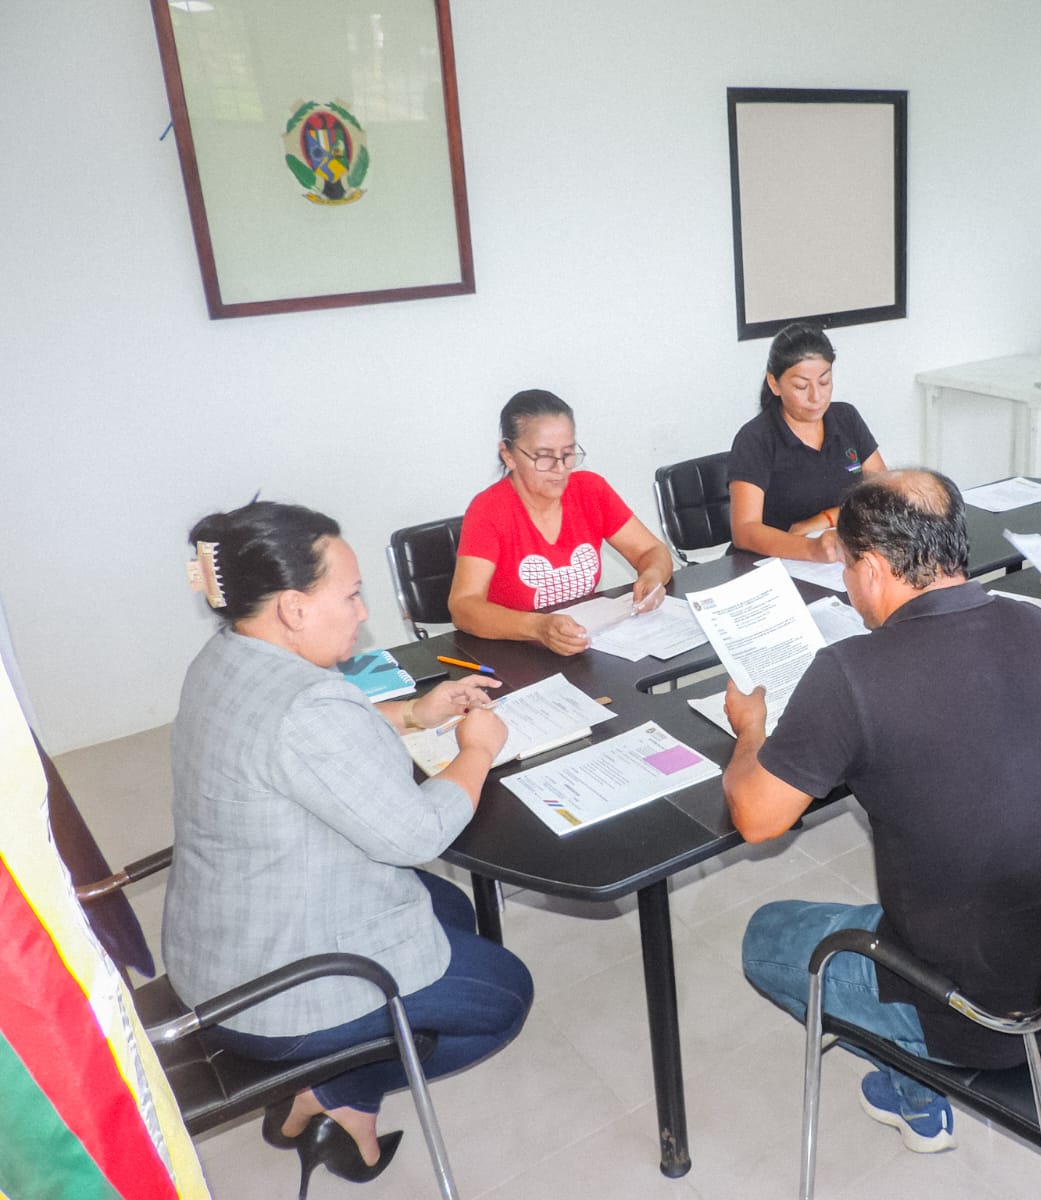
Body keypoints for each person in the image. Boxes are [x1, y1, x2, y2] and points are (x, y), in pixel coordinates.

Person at [722, 470, 1041, 1153]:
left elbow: (756, 819)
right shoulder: (1032, 623)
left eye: (847, 568)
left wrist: (749, 729)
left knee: (766, 937)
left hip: (977, 1007)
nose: (848, 583)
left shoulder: (850, 672)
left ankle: (916, 1083)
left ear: (872, 569)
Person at [165, 501, 533, 1190]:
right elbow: (417, 834)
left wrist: (415, 712)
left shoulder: (226, 657)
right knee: (504, 999)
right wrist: (477, 751)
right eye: (352, 595)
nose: (363, 612)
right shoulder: (311, 704)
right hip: (272, 993)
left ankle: (333, 1094)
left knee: (449, 909)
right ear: (295, 608)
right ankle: (335, 1091)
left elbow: (300, 741)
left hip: (218, 946)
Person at [450, 389, 673, 655]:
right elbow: (463, 606)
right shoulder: (489, 510)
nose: (560, 469)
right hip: (516, 655)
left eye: (567, 454)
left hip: (586, 646)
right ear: (508, 455)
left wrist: (652, 576)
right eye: (544, 457)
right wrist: (537, 627)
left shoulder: (590, 491)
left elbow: (651, 550)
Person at [728, 322, 888, 563]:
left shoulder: (846, 418)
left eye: (824, 382)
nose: (816, 397)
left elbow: (883, 495)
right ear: (774, 384)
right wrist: (812, 549)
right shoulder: (755, 438)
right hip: (773, 563)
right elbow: (745, 530)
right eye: (801, 386)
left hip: (839, 558)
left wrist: (823, 520)